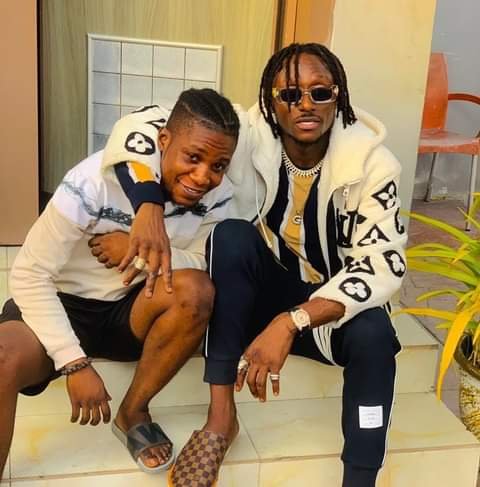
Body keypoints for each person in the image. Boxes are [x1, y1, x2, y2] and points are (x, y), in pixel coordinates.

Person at [104, 43, 407, 487]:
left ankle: (359, 478)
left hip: (328, 312)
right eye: (290, 94)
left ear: (337, 96)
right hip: (262, 297)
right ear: (270, 101)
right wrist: (147, 203)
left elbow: (384, 264)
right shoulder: (252, 135)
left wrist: (292, 322)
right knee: (231, 237)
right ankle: (220, 420)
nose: (305, 104)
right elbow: (141, 124)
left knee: (376, 335)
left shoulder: (373, 165)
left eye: (320, 92)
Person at [0, 88, 240, 478]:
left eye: (218, 165)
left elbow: (204, 260)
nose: (203, 177)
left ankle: (133, 411)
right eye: (193, 157)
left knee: (197, 290)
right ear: (164, 140)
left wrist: (139, 250)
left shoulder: (220, 195)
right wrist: (74, 363)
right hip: (62, 302)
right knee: (2, 357)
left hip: (131, 309)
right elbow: (29, 273)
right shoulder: (93, 180)